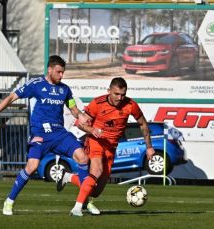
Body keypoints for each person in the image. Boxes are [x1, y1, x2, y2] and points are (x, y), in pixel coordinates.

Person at [0, 55, 91, 216]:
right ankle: (9, 201)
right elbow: (12, 96)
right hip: (40, 134)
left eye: (63, 72)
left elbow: (73, 109)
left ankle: (82, 203)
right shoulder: (36, 85)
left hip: (59, 133)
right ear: (50, 69)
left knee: (83, 158)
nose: (61, 75)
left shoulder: (65, 89)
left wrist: (81, 116)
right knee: (32, 167)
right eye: (59, 72)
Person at [57, 77, 155, 217]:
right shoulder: (98, 103)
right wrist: (92, 130)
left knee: (95, 192)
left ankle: (68, 177)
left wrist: (149, 147)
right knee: (96, 170)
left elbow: (143, 124)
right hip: (95, 141)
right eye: (116, 94)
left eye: (123, 94)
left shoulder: (130, 105)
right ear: (109, 91)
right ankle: (77, 208)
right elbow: (80, 123)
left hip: (111, 148)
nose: (120, 98)